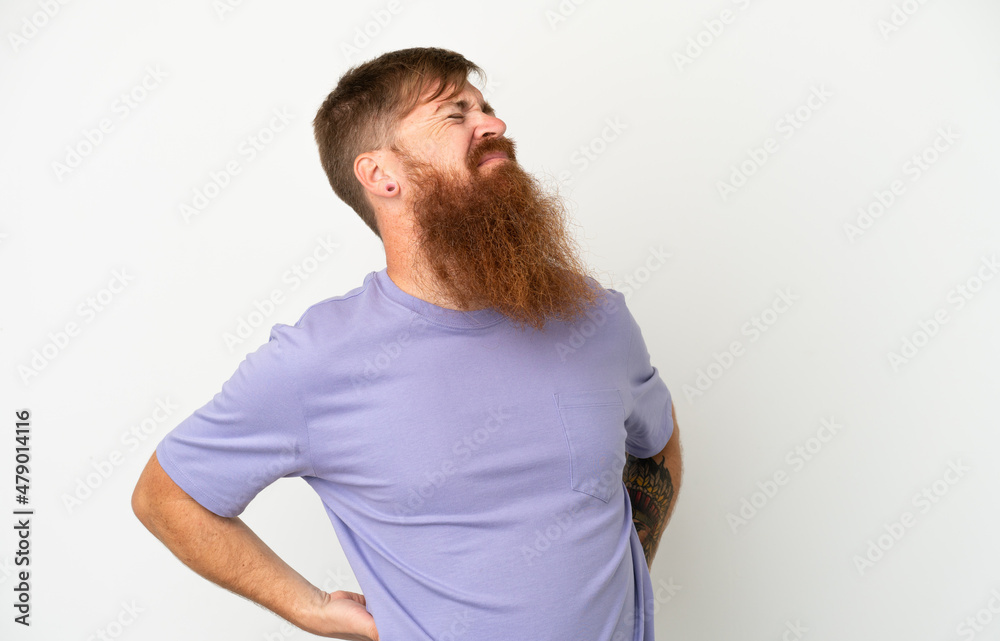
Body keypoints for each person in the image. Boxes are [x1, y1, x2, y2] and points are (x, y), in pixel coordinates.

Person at [132, 46, 683, 641]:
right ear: (380, 174)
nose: (493, 124)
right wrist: (310, 607)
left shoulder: (593, 316)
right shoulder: (318, 361)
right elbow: (166, 497)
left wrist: (633, 563)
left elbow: (657, 444)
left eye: (486, 108)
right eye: (455, 114)